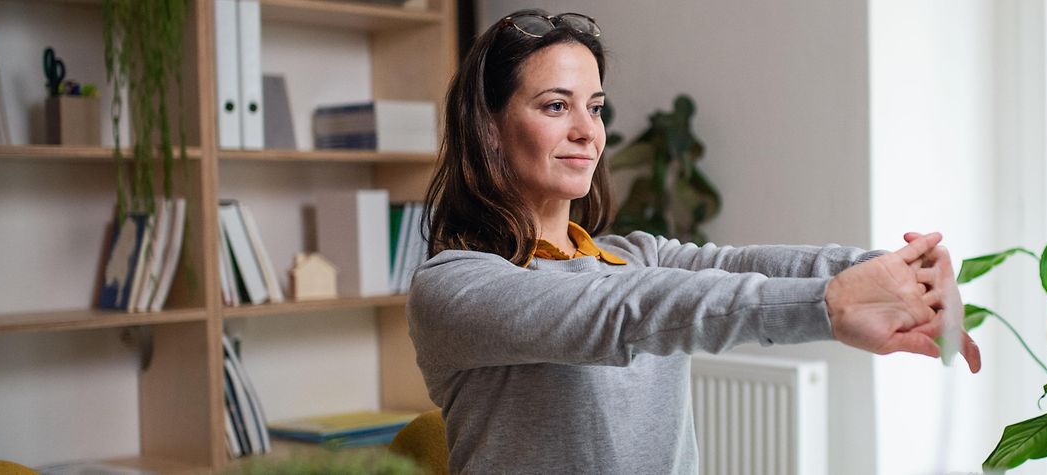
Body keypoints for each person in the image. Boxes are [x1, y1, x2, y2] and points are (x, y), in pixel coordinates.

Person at [408, 9, 980, 474]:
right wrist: (830, 304)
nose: (588, 130)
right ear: (489, 127)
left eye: (596, 107)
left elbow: (742, 265)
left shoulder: (632, 255)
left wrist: (897, 270)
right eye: (556, 106)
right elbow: (625, 312)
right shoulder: (456, 287)